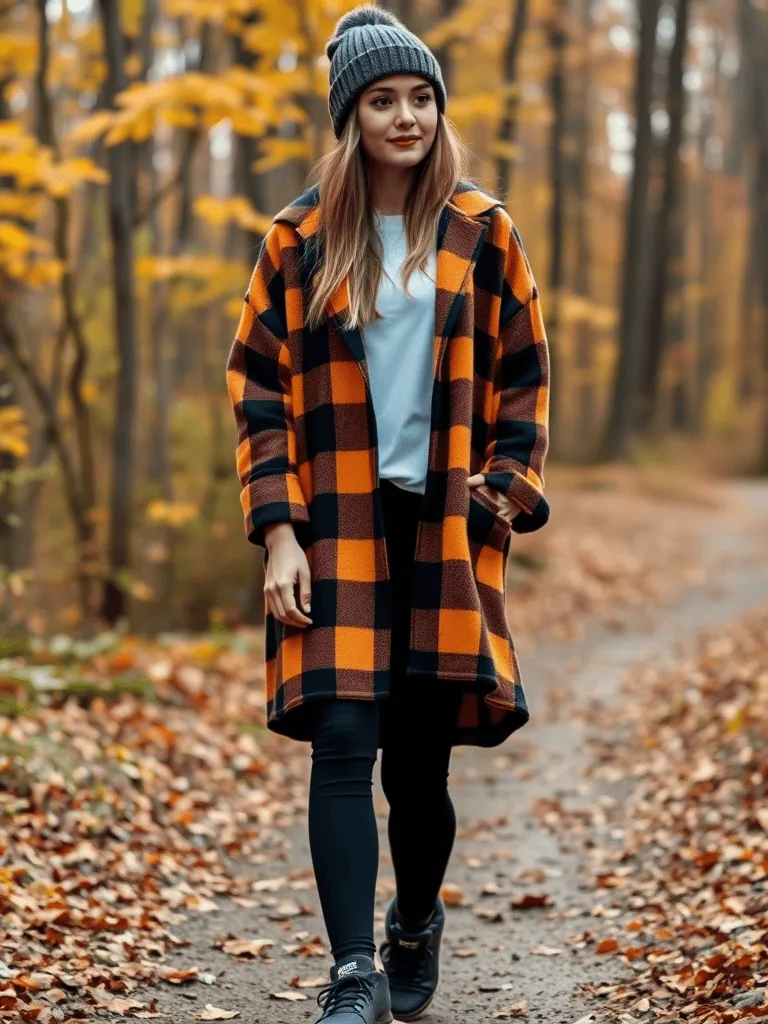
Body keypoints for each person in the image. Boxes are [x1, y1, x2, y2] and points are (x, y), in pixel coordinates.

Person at [225, 4, 551, 1021]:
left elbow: (526, 377)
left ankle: (415, 916)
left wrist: (502, 490)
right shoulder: (300, 239)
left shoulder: (485, 231)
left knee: (417, 763)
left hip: (440, 528)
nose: (405, 117)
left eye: (420, 97)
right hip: (338, 528)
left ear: (437, 108)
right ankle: (354, 969)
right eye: (382, 101)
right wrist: (279, 531)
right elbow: (258, 390)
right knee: (343, 741)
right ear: (350, 116)